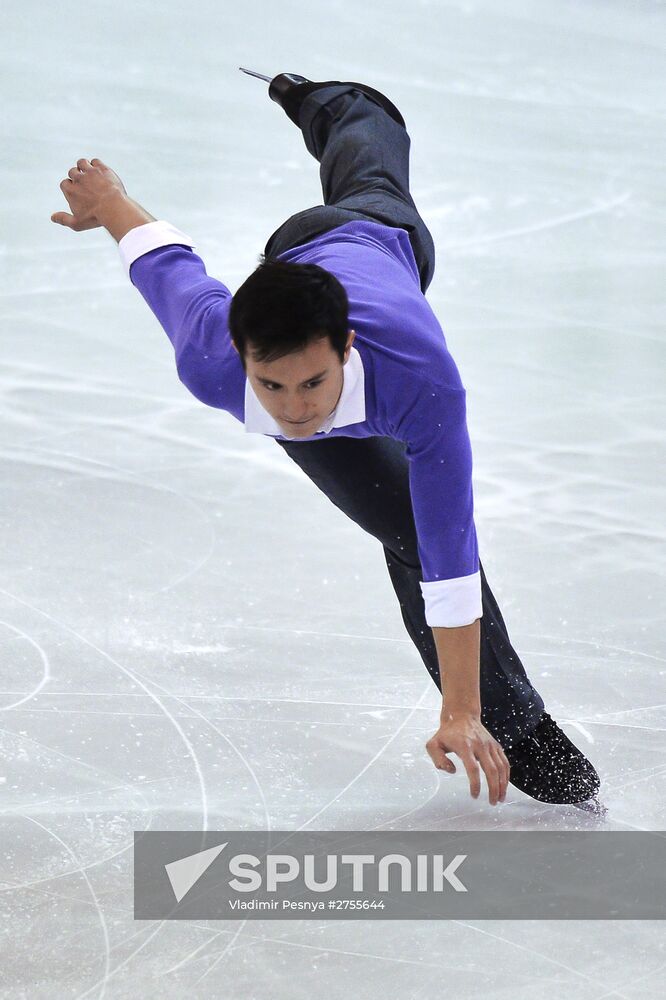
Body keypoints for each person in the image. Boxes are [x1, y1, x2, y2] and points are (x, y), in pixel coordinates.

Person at [51, 72, 601, 809]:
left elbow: (452, 552)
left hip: (377, 236)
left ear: (343, 349)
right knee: (400, 523)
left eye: (312, 384)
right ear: (244, 358)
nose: (296, 410)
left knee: (368, 159)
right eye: (271, 388)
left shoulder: (420, 382)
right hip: (288, 262)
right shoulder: (217, 364)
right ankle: (515, 723)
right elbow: (166, 264)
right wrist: (110, 198)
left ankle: (330, 98)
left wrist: (460, 708)